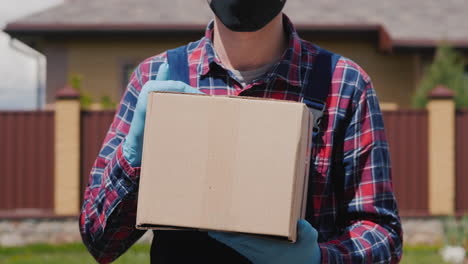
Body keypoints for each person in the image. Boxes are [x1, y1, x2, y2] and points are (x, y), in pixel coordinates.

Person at [79, 0, 403, 263]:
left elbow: (383, 236)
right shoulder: (156, 78)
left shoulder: (342, 84)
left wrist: (319, 258)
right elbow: (100, 242)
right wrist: (132, 159)